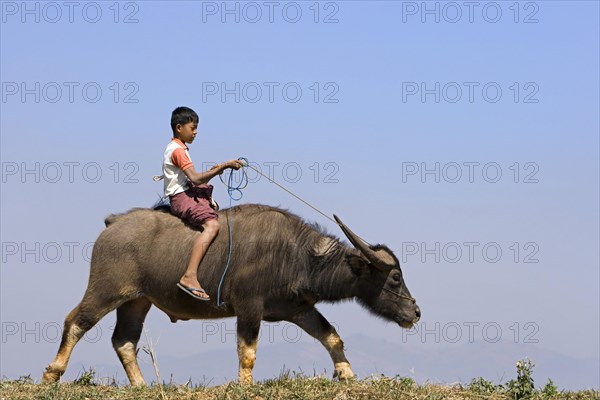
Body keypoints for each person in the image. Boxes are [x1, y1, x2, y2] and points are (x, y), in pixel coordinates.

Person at [163, 106, 244, 301]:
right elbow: (195, 178)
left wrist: (217, 169)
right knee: (212, 225)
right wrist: (222, 167)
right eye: (193, 127)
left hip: (186, 190)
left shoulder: (180, 148)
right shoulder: (178, 151)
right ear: (179, 127)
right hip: (180, 197)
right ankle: (189, 275)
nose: (196, 132)